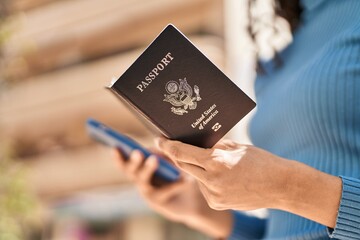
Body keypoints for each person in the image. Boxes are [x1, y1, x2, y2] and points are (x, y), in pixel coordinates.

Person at [113, 0, 360, 239]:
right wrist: (197, 209)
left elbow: (289, 195)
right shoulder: (279, 61)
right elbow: (290, 227)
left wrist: (285, 187)